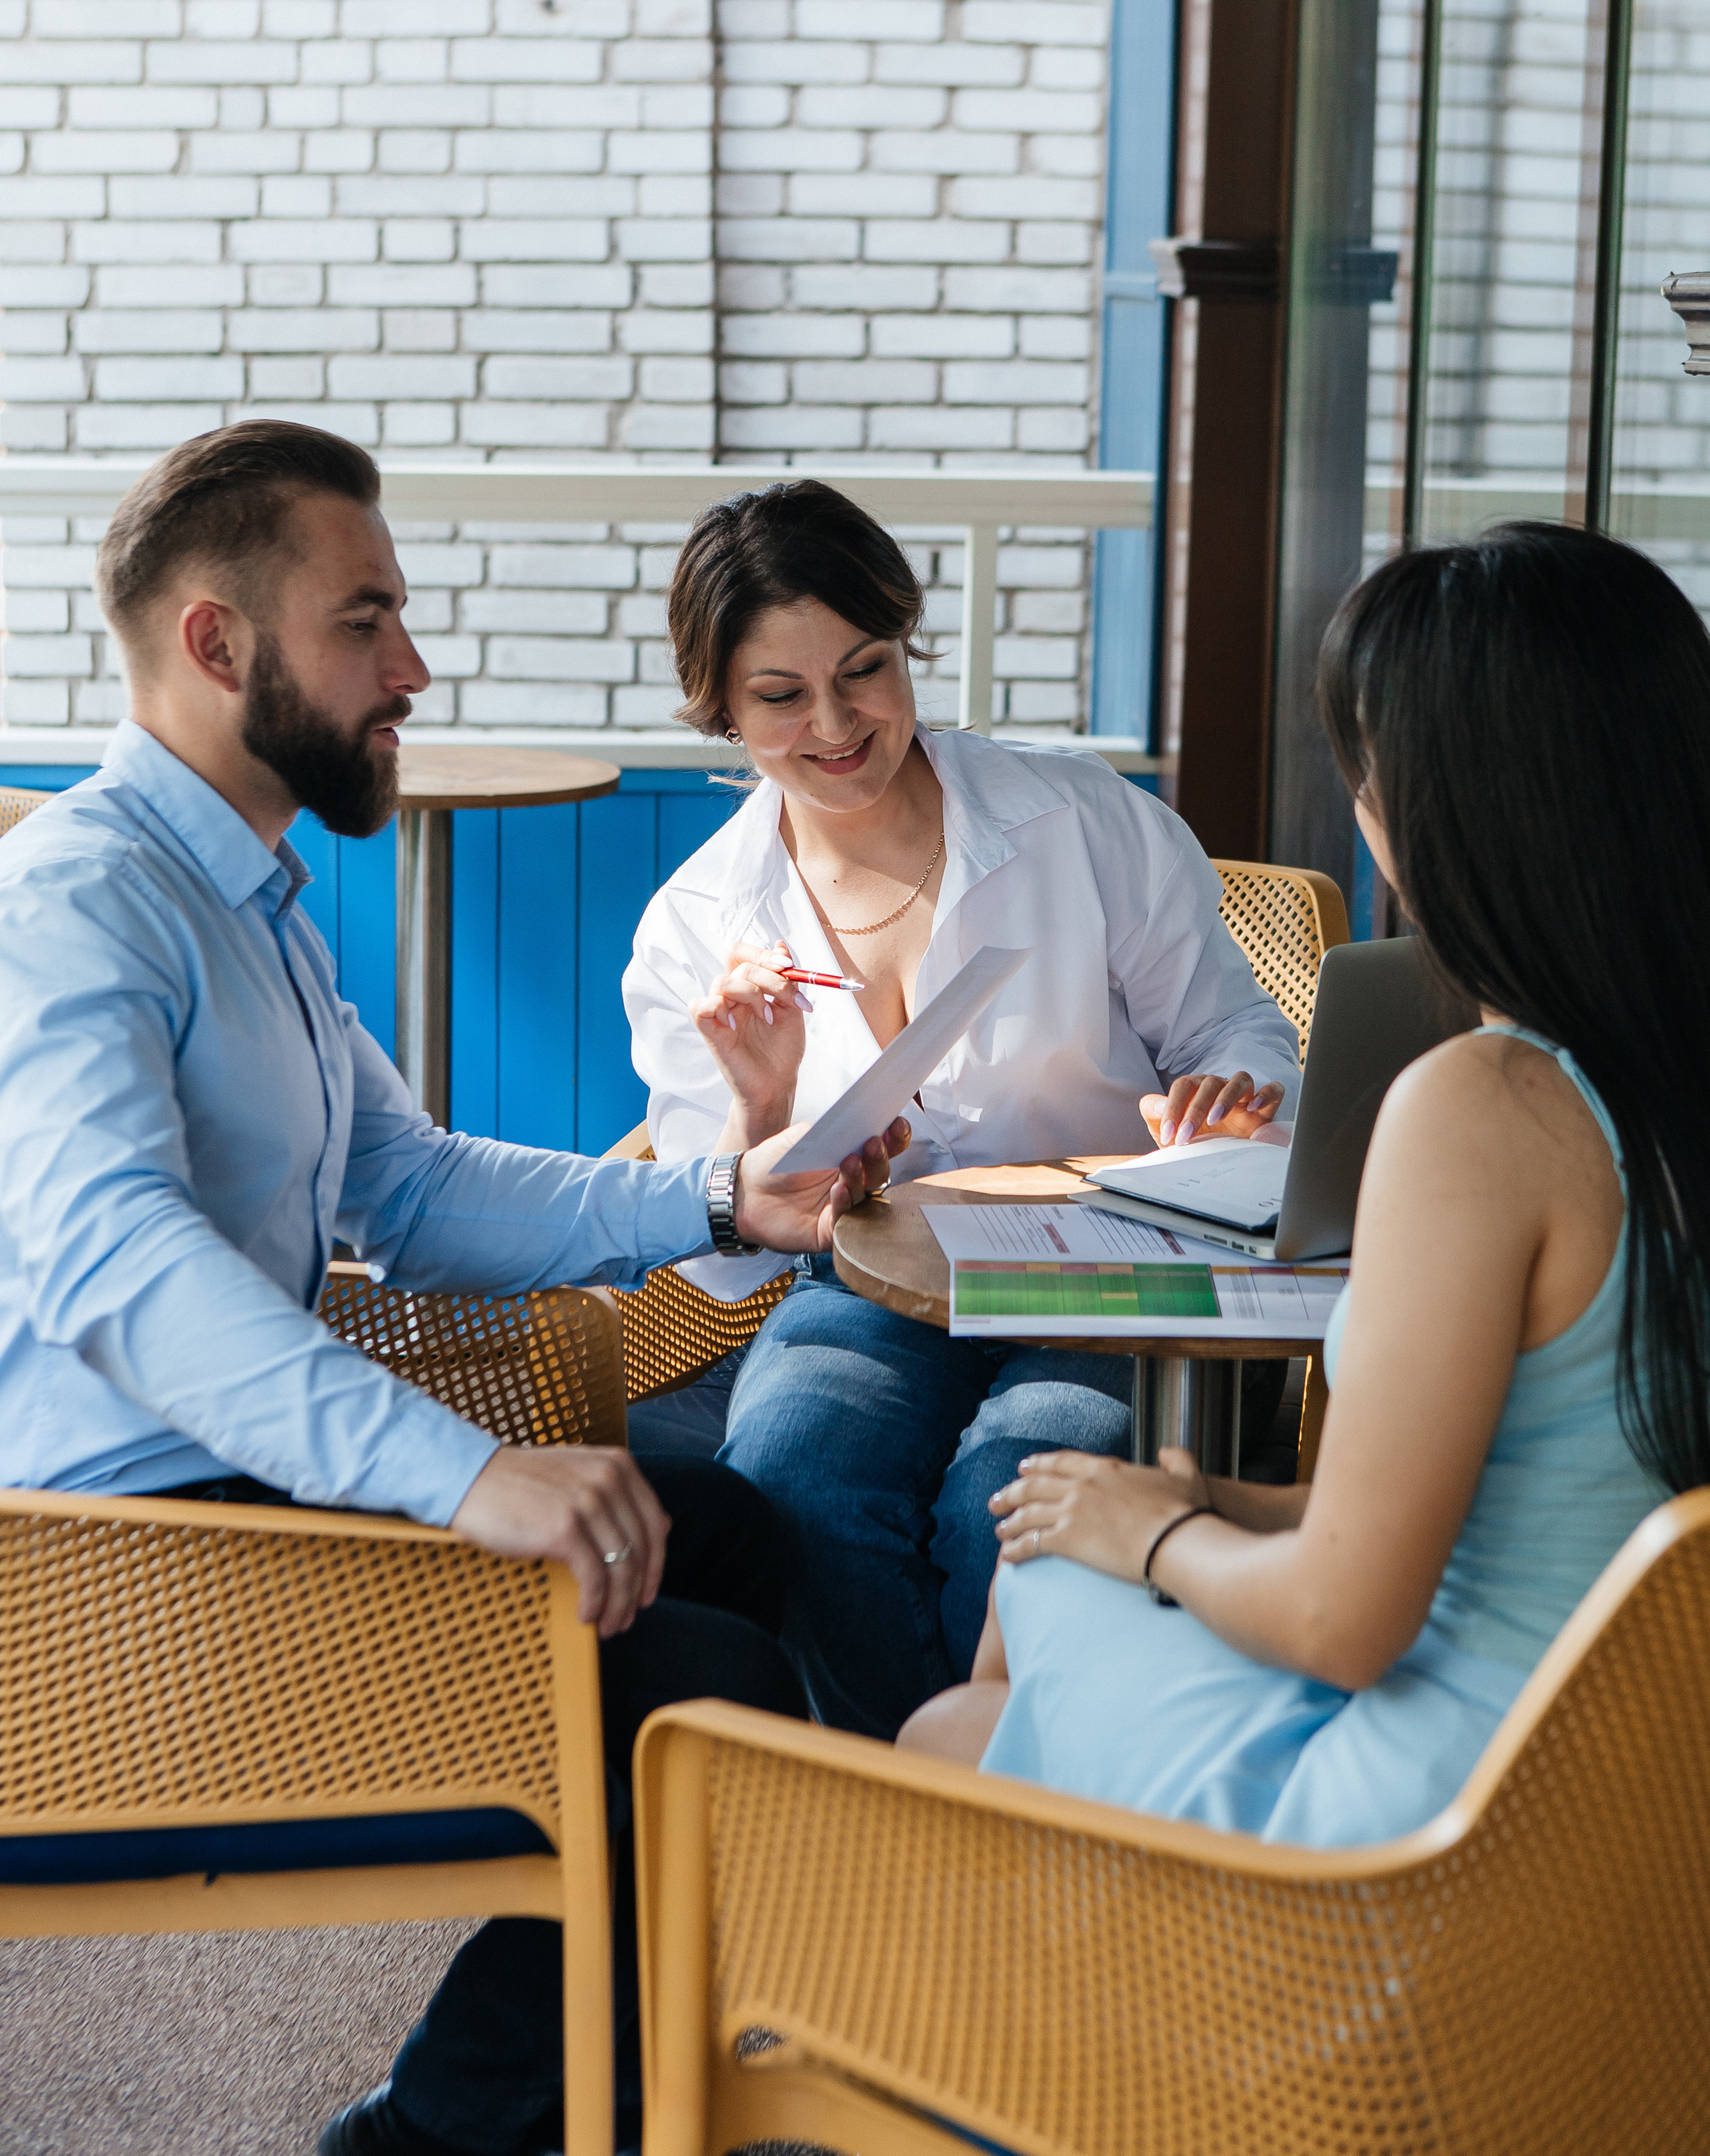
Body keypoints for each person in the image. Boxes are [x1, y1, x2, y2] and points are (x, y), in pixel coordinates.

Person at [0, 422, 906, 2156]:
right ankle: (437, 2137)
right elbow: (117, 1268)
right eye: (367, 623)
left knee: (725, 1527)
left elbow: (410, 1193)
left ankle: (609, 2067)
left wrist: (730, 1194)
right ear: (217, 644)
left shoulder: (245, 901)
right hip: (100, 1588)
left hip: (218, 1509)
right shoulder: (77, 906)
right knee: (699, 1692)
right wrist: (466, 1472)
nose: (413, 667)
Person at [899, 522, 1703, 1847]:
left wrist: (1154, 1537)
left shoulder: (1485, 1106)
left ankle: (1096, 2028)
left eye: (1365, 773)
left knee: (967, 1697)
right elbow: (1533, 1499)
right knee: (1046, 1561)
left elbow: (1341, 1619)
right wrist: (1204, 1501)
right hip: (1633, 1805)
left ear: (1448, 807)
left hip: (1447, 1835)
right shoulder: (1647, 1085)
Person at [621, 480, 1301, 1738]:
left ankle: (1017, 1807)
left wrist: (1231, 1093)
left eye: (866, 670)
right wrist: (758, 1106)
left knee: (1013, 1486)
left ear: (906, 644)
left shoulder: (1083, 821)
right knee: (791, 1477)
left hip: (1100, 1280)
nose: (836, 723)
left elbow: (1240, 1031)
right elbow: (714, 1274)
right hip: (862, 1293)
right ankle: (909, 1806)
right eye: (780, 696)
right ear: (720, 706)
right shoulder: (697, 925)